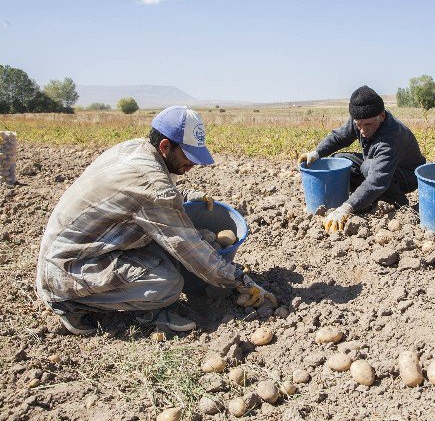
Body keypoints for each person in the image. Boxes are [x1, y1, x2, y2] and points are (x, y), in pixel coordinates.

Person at [36, 105, 276, 335]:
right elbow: (189, 247)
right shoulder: (152, 185)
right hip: (67, 269)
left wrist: (186, 197)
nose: (192, 166)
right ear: (164, 146)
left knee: (165, 252)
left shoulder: (135, 149)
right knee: (168, 284)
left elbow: (141, 196)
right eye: (188, 157)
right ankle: (71, 304)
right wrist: (239, 280)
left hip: (82, 249)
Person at [298, 86, 426, 232]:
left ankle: (397, 204)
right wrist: (317, 153)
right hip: (376, 164)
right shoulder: (361, 118)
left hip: (407, 175)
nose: (363, 130)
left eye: (368, 125)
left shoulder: (391, 137)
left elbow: (377, 180)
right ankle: (368, 198)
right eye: (359, 125)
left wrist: (346, 208)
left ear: (382, 116)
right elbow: (340, 137)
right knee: (341, 160)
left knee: (368, 168)